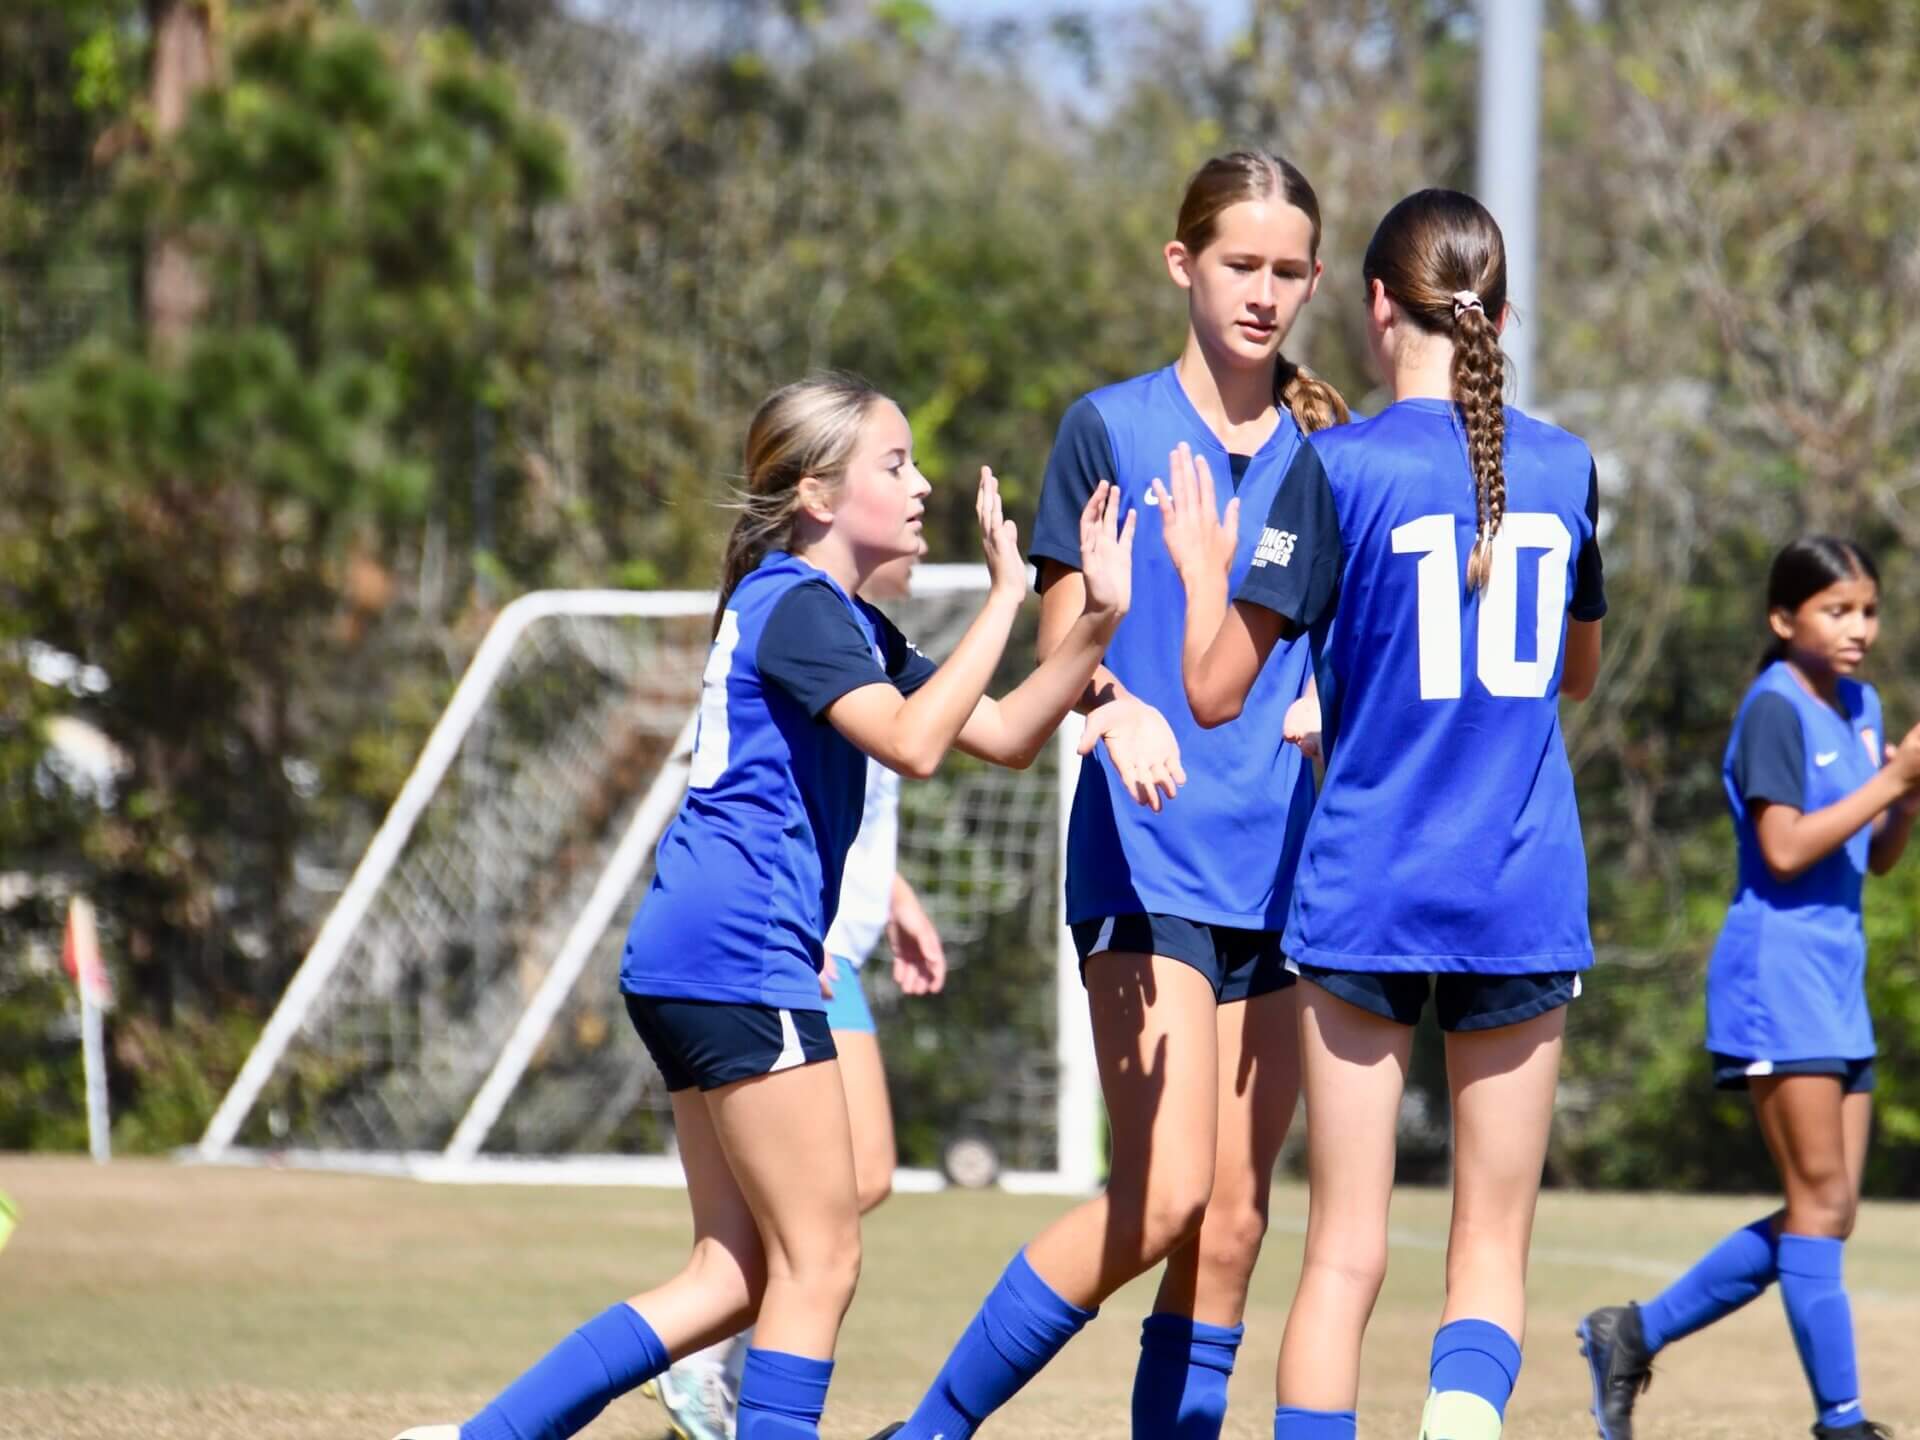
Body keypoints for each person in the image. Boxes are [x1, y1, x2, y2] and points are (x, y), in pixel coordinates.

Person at [395, 371, 1133, 1440]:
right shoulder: (798, 607)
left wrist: (1099, 619)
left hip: (693, 955)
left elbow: (1011, 734)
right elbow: (915, 746)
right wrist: (1005, 599)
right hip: (740, 955)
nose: (921, 486)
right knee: (820, 1260)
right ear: (817, 495)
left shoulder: (837, 620)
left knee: (733, 1275)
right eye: (895, 464)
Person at [871, 150, 1349, 1440]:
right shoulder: (1109, 428)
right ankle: (926, 1432)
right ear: (1182, 264)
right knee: (1166, 1196)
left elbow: (1347, 642)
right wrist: (1115, 701)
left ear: (1316, 280)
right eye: (1239, 264)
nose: (1262, 292)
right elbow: (1059, 648)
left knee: (1232, 1228)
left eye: (1287, 270)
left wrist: (1332, 703)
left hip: (1288, 871)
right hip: (1147, 861)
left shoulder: (1328, 452)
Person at [1158, 185, 1607, 1440]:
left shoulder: (1333, 466)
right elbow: (1572, 672)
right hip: (1517, 888)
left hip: (1368, 886)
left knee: (1343, 1252)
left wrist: (1202, 577)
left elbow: (1213, 692)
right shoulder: (1565, 466)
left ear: (1372, 306)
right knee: (1490, 1250)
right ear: (1498, 316)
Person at [1577, 536, 1920, 1440]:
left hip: (1838, 975)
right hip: (1777, 974)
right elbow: (1786, 848)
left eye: (1869, 610)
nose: (1859, 628)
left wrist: (1909, 802)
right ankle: (1841, 1421)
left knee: (1829, 1211)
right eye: (1837, 610)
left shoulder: (1863, 705)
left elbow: (1874, 856)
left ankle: (1632, 1334)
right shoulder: (1773, 709)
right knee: (1818, 1206)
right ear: (1783, 618)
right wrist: (1892, 779)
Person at [651, 551, 950, 1440]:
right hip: (791, 955)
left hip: (828, 949)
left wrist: (894, 898)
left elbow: (844, 816)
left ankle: (724, 1339)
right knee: (808, 1230)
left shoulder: (868, 644)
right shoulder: (807, 626)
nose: (920, 515)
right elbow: (743, 798)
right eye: (897, 481)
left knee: (865, 1176)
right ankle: (707, 1348)